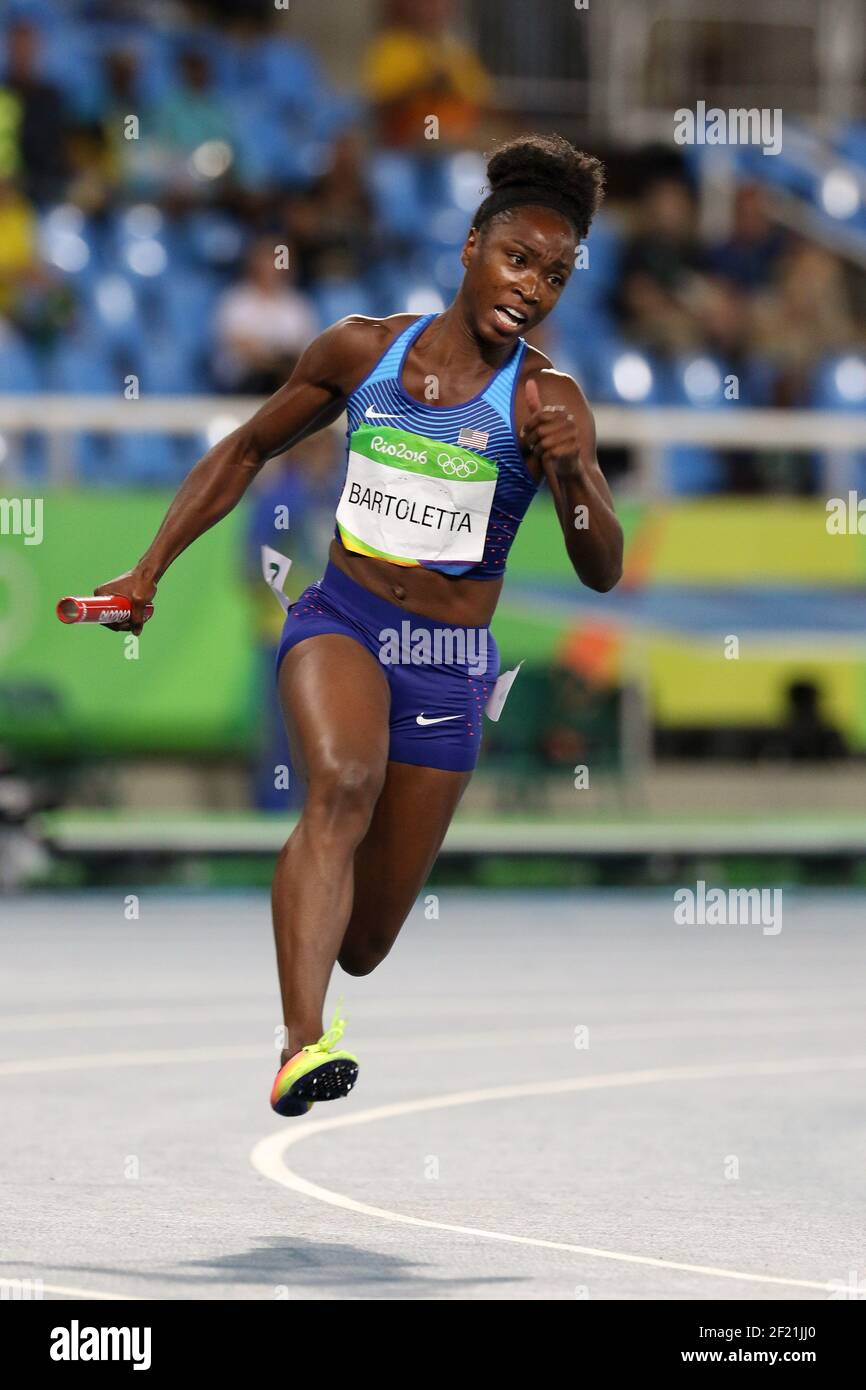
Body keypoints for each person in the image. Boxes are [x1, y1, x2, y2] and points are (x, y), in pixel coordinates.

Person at [93, 134, 623, 1116]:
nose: (531, 288)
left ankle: (317, 929)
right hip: (342, 618)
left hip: (447, 662)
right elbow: (247, 448)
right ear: (471, 247)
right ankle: (301, 1043)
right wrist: (148, 567)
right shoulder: (359, 350)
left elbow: (601, 569)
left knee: (367, 939)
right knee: (337, 783)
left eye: (554, 275)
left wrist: (577, 473)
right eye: (517, 260)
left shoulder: (548, 402)